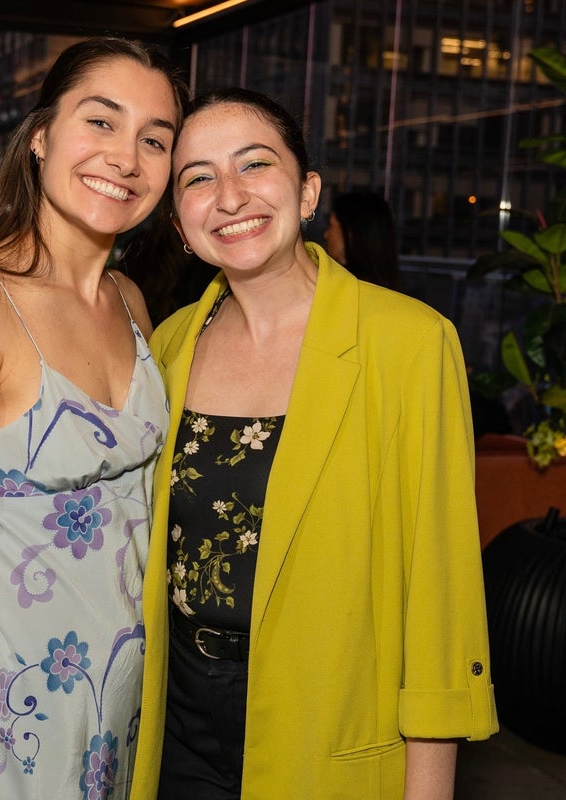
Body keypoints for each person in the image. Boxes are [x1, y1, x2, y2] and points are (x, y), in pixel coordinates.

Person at [131, 88, 498, 800]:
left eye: (254, 164)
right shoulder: (170, 344)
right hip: (177, 723)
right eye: (198, 177)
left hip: (329, 721)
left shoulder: (410, 343)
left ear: (306, 193)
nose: (229, 196)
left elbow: (441, 588)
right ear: (179, 224)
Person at [0, 37, 188, 800]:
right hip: (9, 717)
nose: (125, 157)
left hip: (121, 709)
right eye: (101, 121)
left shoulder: (130, 302)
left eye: (154, 139)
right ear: (40, 137)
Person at [323, 189, 401, 289]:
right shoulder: (385, 291)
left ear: (350, 234)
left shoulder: (345, 289)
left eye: (331, 226)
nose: (326, 235)